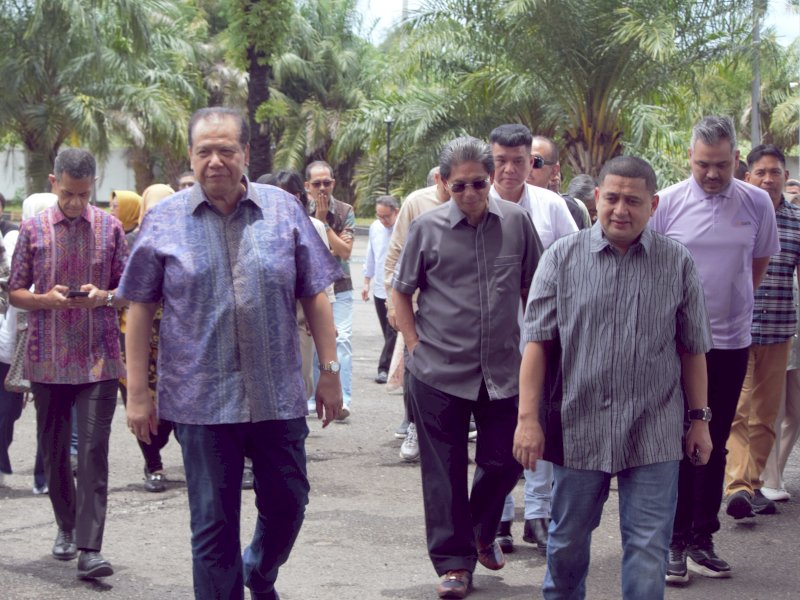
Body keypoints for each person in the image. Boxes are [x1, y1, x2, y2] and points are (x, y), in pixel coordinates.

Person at [121, 107, 343, 600]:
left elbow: (316, 293)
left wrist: (330, 372)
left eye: (226, 150)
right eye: (205, 151)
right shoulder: (163, 221)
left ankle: (260, 571)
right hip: (200, 402)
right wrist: (139, 394)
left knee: (289, 504)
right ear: (191, 156)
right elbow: (139, 310)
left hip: (277, 395)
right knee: (212, 526)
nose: (215, 161)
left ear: (245, 153)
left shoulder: (284, 210)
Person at [514, 155, 713, 599]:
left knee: (647, 550)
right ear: (596, 198)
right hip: (578, 425)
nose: (621, 210)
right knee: (566, 545)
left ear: (653, 205)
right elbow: (537, 345)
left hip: (655, 428)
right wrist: (528, 419)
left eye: (633, 201)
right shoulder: (561, 259)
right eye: (612, 198)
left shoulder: (676, 263)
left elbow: (692, 349)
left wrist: (699, 420)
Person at [392, 136, 541, 599]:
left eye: (479, 183)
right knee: (444, 473)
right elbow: (400, 291)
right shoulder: (427, 228)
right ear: (443, 184)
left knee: (506, 459)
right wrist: (414, 346)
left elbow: (534, 290)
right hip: (437, 371)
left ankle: (479, 526)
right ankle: (454, 564)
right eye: (459, 186)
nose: (471, 194)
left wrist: (540, 349)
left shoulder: (517, 223)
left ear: (492, 178)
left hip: (502, 371)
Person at [650, 115, 779, 581]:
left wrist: (732, 310)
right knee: (679, 441)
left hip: (730, 342)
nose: (712, 174)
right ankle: (673, 540)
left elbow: (758, 262)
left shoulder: (757, 202)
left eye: (722, 165)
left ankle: (703, 536)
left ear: (736, 160)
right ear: (690, 158)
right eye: (704, 164)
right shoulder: (667, 201)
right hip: (676, 346)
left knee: (716, 441)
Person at [9, 148, 129, 580]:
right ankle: (65, 524)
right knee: (55, 449)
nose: (76, 202)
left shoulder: (111, 229)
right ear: (53, 182)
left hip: (98, 359)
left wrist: (106, 296)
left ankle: (89, 548)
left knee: (94, 450)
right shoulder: (33, 229)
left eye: (83, 193)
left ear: (92, 185)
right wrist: (44, 300)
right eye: (68, 193)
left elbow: (129, 288)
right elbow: (15, 291)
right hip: (48, 359)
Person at [488, 123, 577, 555]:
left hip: (542, 336)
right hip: (491, 341)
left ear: (533, 163)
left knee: (537, 421)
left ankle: (537, 515)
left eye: (519, 161)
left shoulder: (551, 207)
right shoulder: (474, 204)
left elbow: (575, 266)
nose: (509, 170)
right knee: (498, 428)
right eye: (500, 161)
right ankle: (500, 517)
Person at [723, 144, 800, 518]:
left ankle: (752, 484)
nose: (769, 178)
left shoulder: (797, 220)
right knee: (738, 409)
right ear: (748, 175)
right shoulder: (737, 212)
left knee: (767, 414)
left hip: (781, 328)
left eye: (776, 172)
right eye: (761, 172)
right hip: (739, 329)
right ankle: (737, 486)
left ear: (786, 177)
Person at [384, 166, 450, 461]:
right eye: (454, 184)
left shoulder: (482, 202)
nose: (464, 191)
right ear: (440, 179)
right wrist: (392, 304)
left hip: (460, 312)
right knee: (414, 368)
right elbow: (396, 252)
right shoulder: (417, 203)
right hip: (418, 307)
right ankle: (413, 424)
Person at [118, 183, 176, 493]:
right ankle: (152, 463)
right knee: (141, 405)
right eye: (151, 209)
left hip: (177, 338)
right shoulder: (129, 243)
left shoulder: (186, 240)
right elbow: (118, 285)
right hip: (137, 338)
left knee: (174, 411)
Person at [0, 193, 54, 495]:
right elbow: (10, 293)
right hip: (14, 341)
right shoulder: (14, 242)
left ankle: (43, 475)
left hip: (52, 342)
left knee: (50, 413)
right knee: (8, 409)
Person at [304, 160, 355, 421]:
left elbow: (344, 252)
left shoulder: (345, 210)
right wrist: (316, 219)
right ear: (307, 186)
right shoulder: (299, 209)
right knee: (315, 343)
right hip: (314, 287)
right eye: (317, 184)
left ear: (333, 183)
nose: (322, 188)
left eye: (327, 183)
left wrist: (322, 224)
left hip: (341, 285)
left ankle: (344, 397)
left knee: (341, 339)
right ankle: (314, 398)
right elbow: (308, 249)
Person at [761, 272, 800, 501]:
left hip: (797, 347)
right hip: (776, 338)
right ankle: (770, 479)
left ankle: (777, 470)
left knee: (795, 413)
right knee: (775, 411)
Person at [362, 195, 399, 384]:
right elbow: (371, 254)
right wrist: (366, 281)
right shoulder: (375, 228)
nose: (383, 221)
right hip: (379, 288)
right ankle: (396, 367)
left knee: (394, 329)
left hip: (396, 289)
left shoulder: (403, 228)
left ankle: (383, 368)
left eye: (386, 217)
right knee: (388, 332)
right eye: (379, 216)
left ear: (396, 212)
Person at [527, 135, 590, 229]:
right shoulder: (503, 203)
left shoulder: (567, 209)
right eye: (523, 161)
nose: (528, 168)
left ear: (554, 171)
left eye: (536, 162)